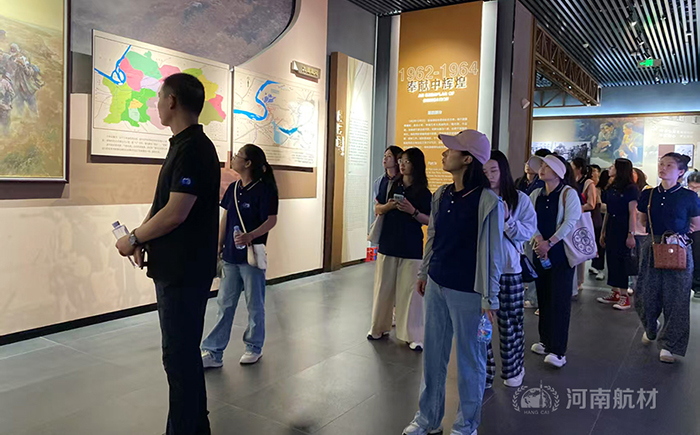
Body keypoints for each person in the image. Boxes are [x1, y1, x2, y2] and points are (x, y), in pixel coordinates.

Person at [115, 73, 220, 435]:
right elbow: (163, 204)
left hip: (184, 272)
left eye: (159, 98)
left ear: (172, 101)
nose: (156, 104)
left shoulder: (193, 149)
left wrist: (133, 237)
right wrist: (143, 239)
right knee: (181, 356)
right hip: (177, 268)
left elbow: (176, 212)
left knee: (179, 357)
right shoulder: (183, 145)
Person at [402, 129, 503, 435]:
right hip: (437, 284)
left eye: (452, 150)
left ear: (468, 159)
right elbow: (433, 236)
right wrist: (424, 273)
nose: (445, 153)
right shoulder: (441, 195)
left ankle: (466, 425)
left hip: (469, 292)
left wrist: (490, 298)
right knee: (433, 356)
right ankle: (428, 419)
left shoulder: (488, 201)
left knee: (471, 361)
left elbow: (493, 254)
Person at [201, 144, 279, 367]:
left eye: (238, 156)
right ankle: (214, 352)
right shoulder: (234, 188)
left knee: (254, 304)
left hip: (251, 257)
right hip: (230, 256)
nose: (233, 158)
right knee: (224, 304)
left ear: (248, 163)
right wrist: (218, 244)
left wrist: (250, 236)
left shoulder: (265, 190)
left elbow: (271, 220)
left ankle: (254, 347)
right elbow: (226, 217)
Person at [635, 153, 700, 363]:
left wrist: (677, 236)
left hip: (678, 248)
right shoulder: (648, 194)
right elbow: (642, 220)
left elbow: (696, 224)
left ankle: (669, 345)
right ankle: (650, 326)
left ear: (681, 172)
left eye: (669, 165)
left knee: (677, 297)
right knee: (646, 291)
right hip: (652, 245)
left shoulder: (689, 196)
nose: (663, 168)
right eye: (661, 164)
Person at [368, 148, 431, 350]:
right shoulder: (390, 184)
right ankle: (378, 327)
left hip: (411, 246)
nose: (402, 164)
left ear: (416, 165)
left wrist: (413, 211)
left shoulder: (423, 192)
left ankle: (412, 334)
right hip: (388, 243)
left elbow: (429, 220)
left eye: (407, 161)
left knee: (410, 293)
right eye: (401, 160)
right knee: (382, 289)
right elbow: (378, 208)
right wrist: (389, 206)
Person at [483, 150, 537, 389]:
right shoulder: (479, 197)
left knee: (510, 323)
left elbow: (527, 232)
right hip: (482, 271)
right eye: (485, 171)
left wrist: (507, 220)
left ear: (503, 170)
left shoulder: (519, 199)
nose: (489, 175)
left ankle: (513, 369)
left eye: (494, 170)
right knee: (480, 326)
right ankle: (484, 372)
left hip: (509, 270)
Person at [527, 154, 582, 368]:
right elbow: (530, 219)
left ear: (559, 171)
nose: (542, 169)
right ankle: (545, 340)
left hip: (560, 253)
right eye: (541, 165)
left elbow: (570, 222)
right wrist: (539, 240)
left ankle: (558, 350)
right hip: (540, 251)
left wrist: (549, 242)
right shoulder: (536, 194)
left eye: (547, 166)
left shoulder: (568, 193)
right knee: (544, 297)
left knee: (559, 300)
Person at [597, 159, 639, 310]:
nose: (610, 168)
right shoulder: (612, 187)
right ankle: (614, 291)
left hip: (623, 227)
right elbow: (608, 211)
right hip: (611, 226)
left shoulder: (630, 189)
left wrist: (631, 234)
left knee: (622, 261)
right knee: (611, 259)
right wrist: (603, 231)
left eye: (613, 166)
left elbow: (632, 212)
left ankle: (624, 296)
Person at [571, 158, 601, 297]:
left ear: (579, 168)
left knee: (581, 248)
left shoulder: (588, 183)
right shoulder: (572, 181)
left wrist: (576, 208)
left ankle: (579, 280)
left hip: (583, 219)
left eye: (572, 166)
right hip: (573, 219)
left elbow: (591, 204)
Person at [590, 168, 611, 280]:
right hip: (600, 218)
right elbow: (600, 206)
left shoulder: (613, 190)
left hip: (608, 217)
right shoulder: (598, 190)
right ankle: (598, 267)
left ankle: (599, 266)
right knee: (599, 242)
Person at [687, 171, 700, 299]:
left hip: (698, 232)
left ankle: (697, 285)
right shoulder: (687, 196)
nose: (693, 190)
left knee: (697, 257)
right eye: (691, 187)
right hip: (689, 231)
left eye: (696, 187)